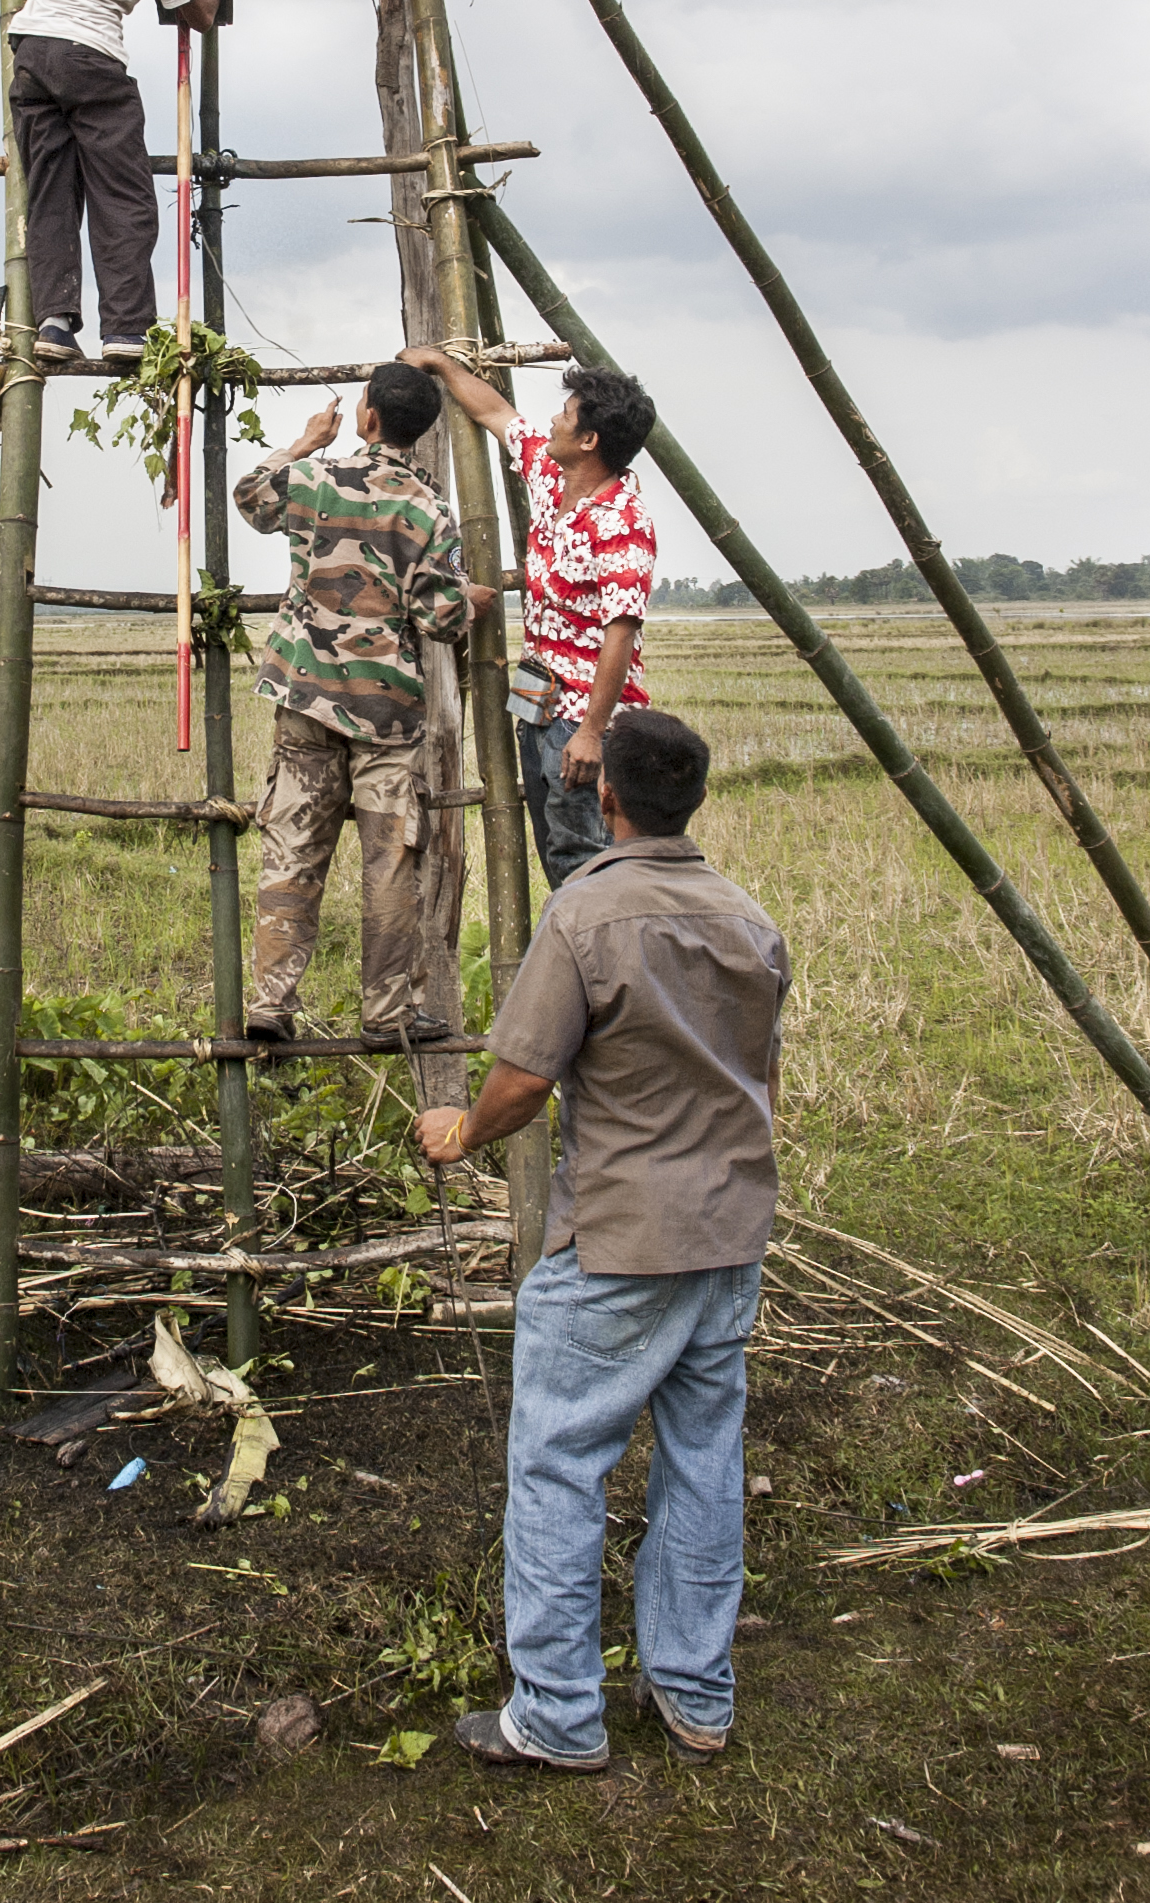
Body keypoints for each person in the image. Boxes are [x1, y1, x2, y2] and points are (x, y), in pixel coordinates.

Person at [412, 708, 790, 1773]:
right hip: (728, 1234)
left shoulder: (584, 913)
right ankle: (693, 1692)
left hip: (620, 1239)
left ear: (605, 796)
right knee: (705, 1459)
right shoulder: (748, 919)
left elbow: (526, 1075)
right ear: (692, 799)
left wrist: (461, 1129)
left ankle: (557, 1713)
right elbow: (759, 1078)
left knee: (555, 1462)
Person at [233, 361, 497, 1047]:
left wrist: (303, 442)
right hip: (386, 716)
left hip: (305, 699)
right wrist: (465, 599)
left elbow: (250, 495)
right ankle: (387, 1013)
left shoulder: (318, 480)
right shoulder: (428, 510)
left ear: (367, 416)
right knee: (391, 862)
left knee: (291, 846)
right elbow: (438, 618)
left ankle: (271, 1001)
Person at [402, 348, 656, 889]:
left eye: (565, 415)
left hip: (584, 720)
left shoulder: (622, 523)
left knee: (585, 859)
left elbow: (621, 634)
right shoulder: (553, 480)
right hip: (537, 703)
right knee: (556, 853)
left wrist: (590, 733)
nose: (553, 422)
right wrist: (444, 367)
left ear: (589, 440)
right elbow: (498, 415)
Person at [8, 0, 231, 364]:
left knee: (51, 193)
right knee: (122, 195)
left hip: (33, 48)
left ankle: (54, 324)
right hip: (91, 57)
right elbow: (201, 15)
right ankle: (126, 330)